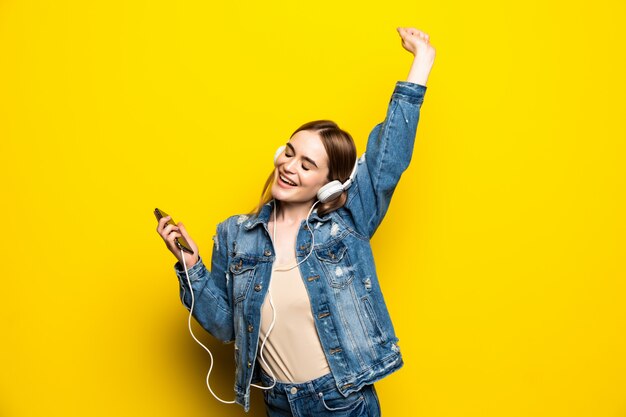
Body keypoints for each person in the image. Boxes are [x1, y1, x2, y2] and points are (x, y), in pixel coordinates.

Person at [156, 26, 436, 416]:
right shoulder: (235, 235)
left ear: (329, 184)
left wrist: (421, 61)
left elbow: (389, 158)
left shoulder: (346, 222)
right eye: (289, 152)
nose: (289, 167)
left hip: (342, 403)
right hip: (279, 404)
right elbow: (225, 327)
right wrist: (191, 268)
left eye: (307, 165)